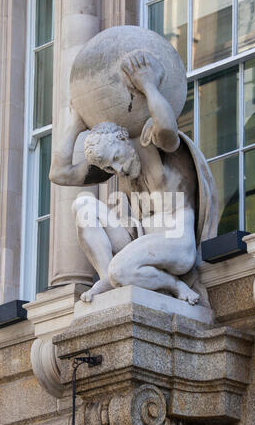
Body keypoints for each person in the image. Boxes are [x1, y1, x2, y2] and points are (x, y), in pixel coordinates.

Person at [50, 52, 218, 305]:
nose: (117, 169)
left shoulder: (154, 143)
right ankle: (109, 277)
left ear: (123, 139)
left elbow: (169, 130)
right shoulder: (114, 162)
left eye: (117, 158)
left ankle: (172, 284)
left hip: (176, 242)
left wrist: (148, 85)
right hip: (140, 239)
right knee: (83, 205)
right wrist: (76, 122)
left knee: (121, 270)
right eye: (109, 166)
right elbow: (59, 173)